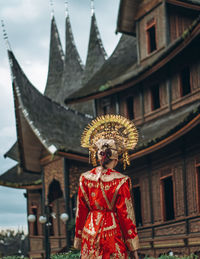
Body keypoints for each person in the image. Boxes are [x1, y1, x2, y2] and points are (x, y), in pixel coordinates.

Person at [74, 114, 140, 259]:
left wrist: (78, 238)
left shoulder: (84, 178)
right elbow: (126, 216)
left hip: (89, 232)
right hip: (112, 233)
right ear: (116, 158)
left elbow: (81, 211)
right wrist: (134, 249)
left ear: (98, 156)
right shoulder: (121, 181)